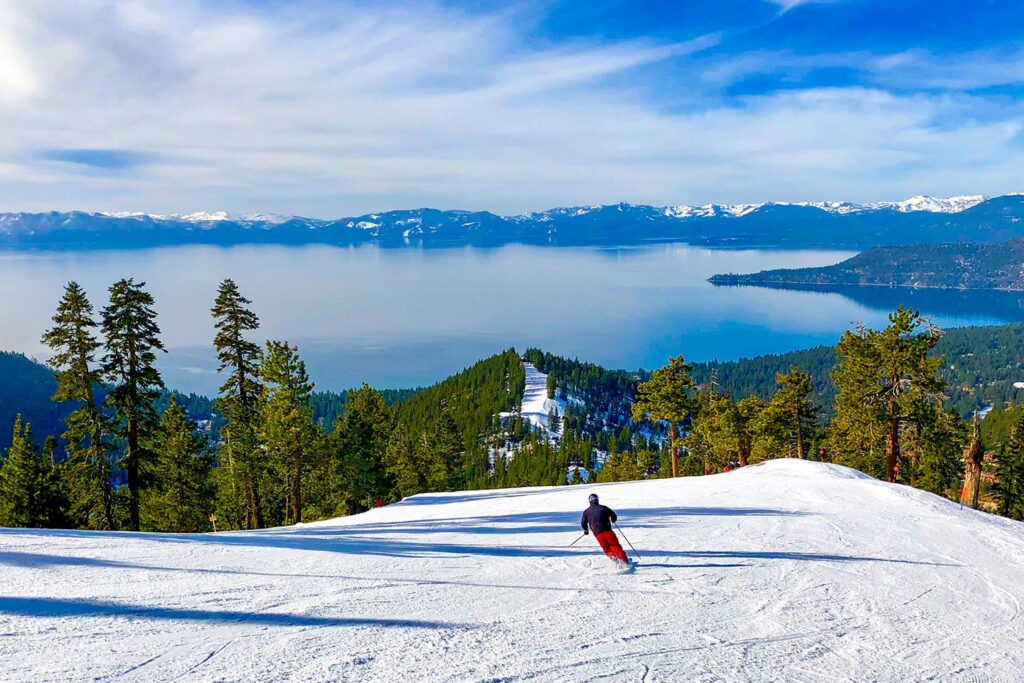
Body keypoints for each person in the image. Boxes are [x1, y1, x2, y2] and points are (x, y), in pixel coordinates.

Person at [581, 493, 629, 564]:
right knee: (614, 545)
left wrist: (586, 530)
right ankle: (624, 561)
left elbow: (583, 523)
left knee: (606, 548)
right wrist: (613, 519)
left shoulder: (586, 512)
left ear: (590, 501)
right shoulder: (603, 508)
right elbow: (613, 515)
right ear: (597, 500)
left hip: (598, 534)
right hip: (607, 530)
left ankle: (615, 560)